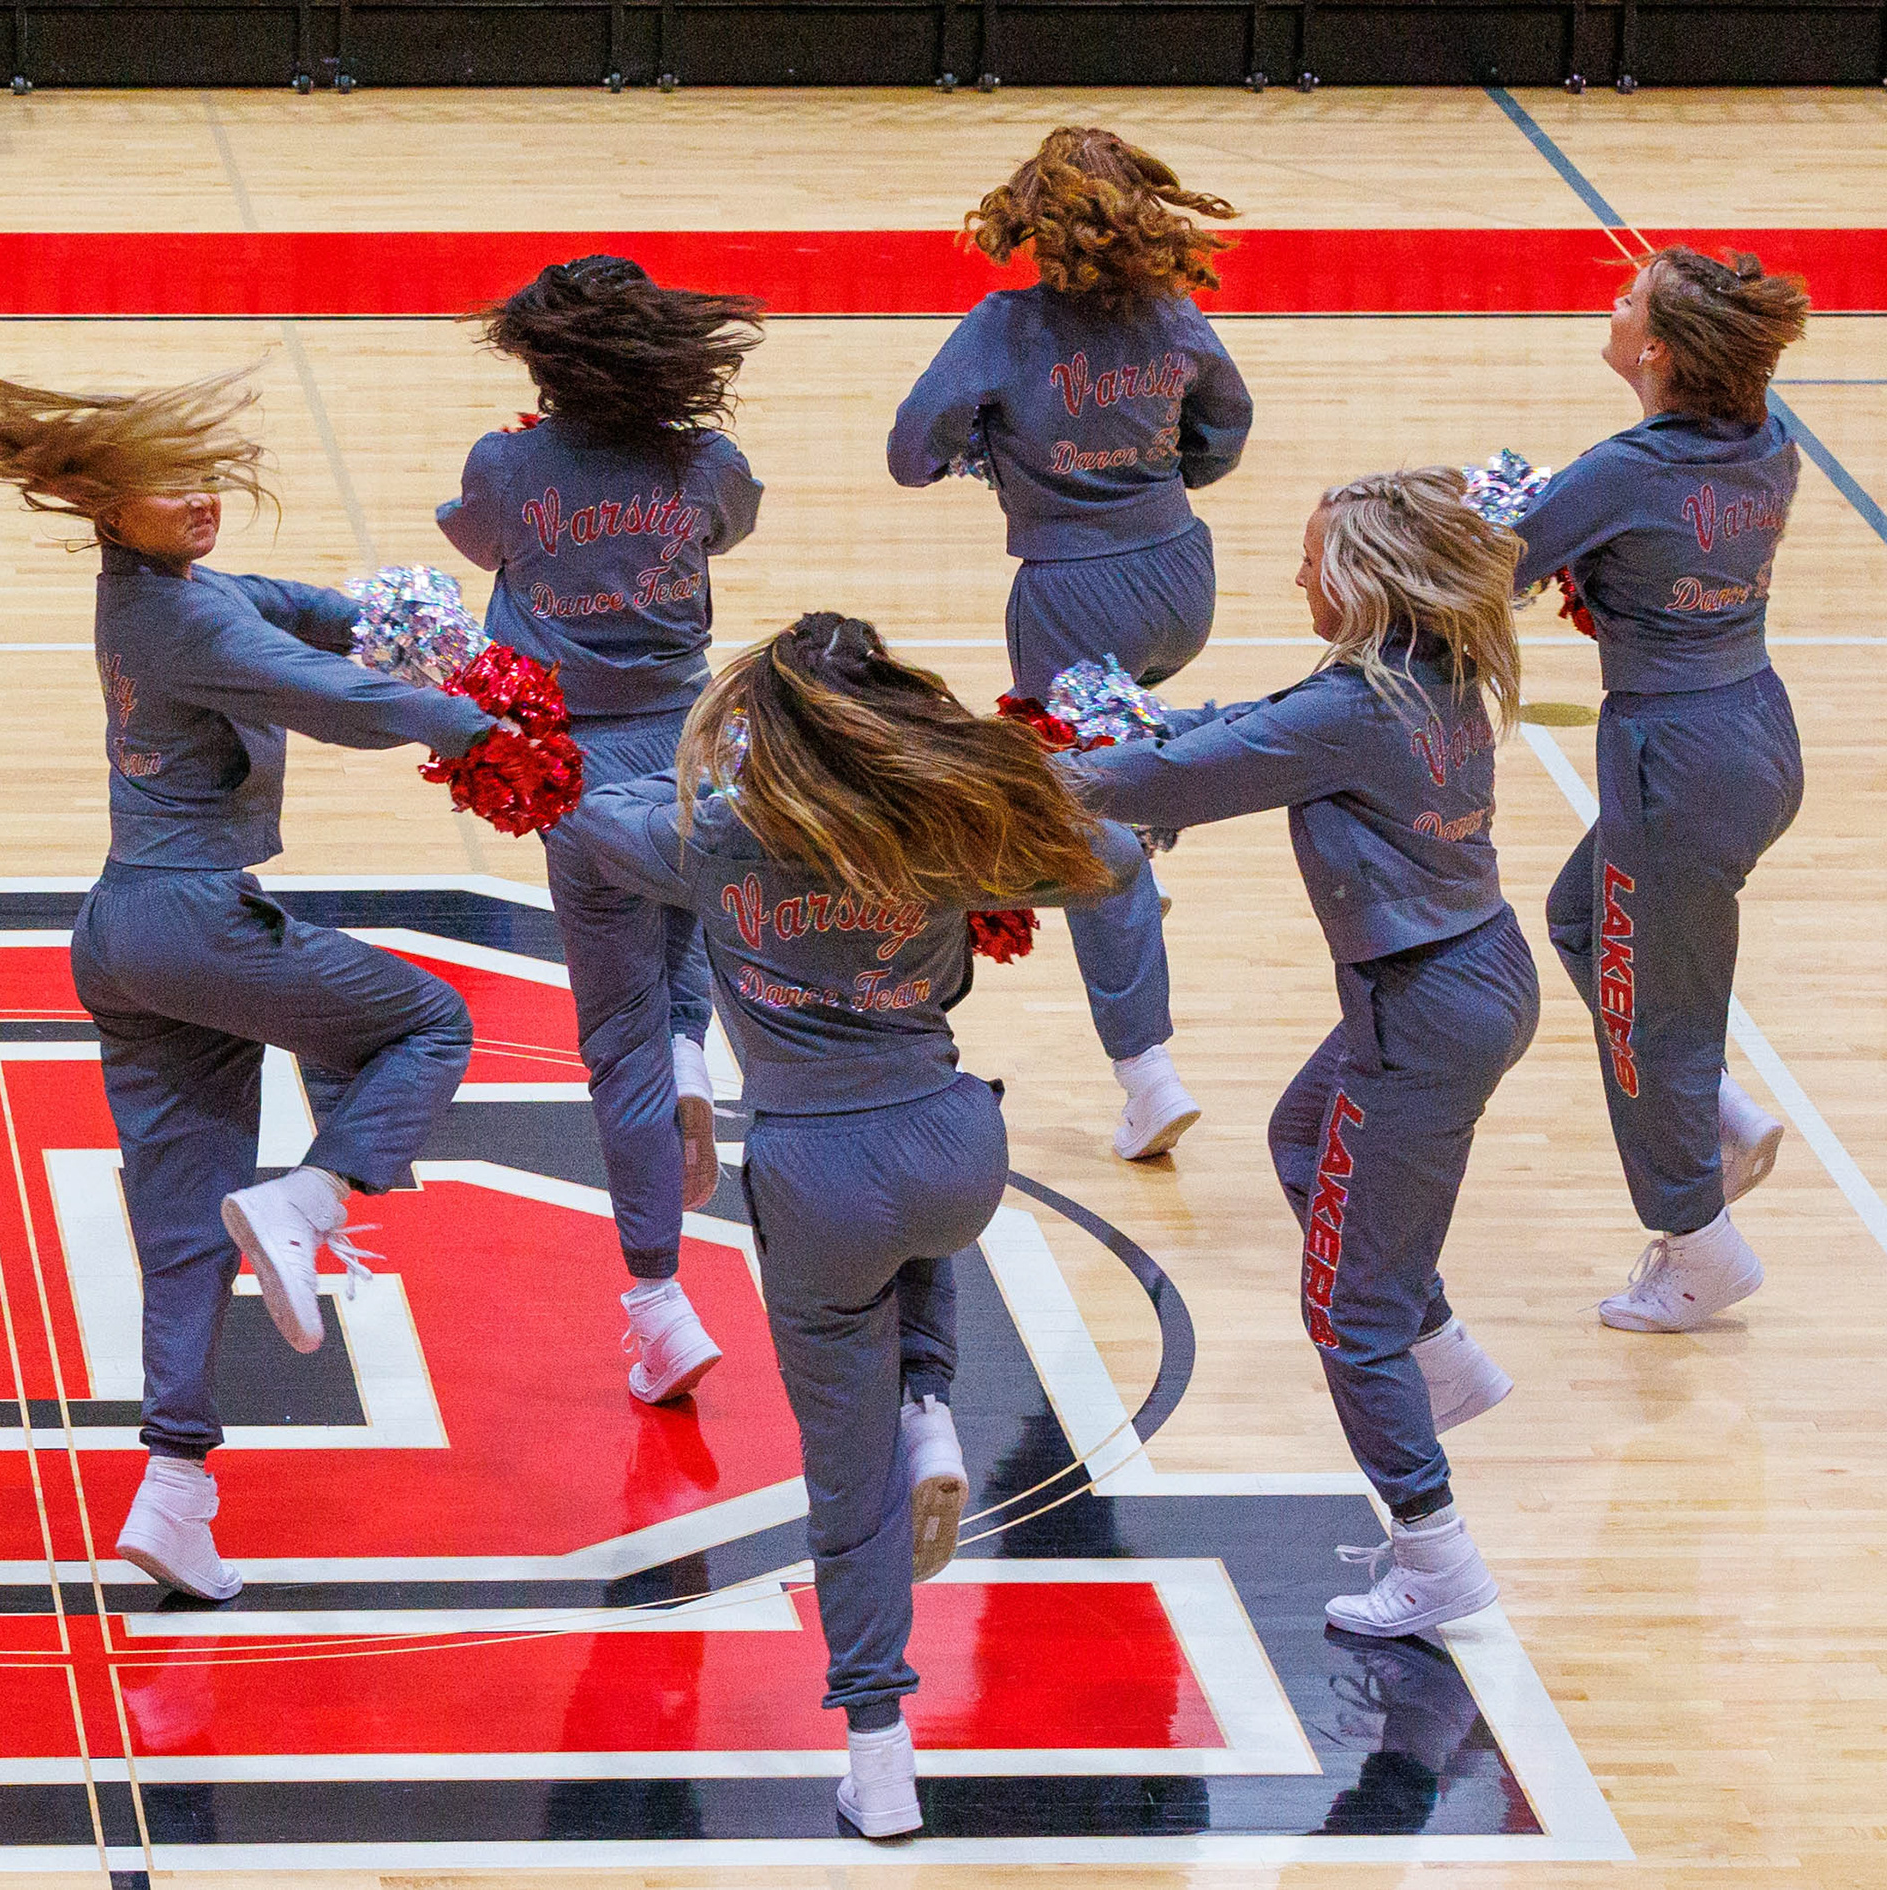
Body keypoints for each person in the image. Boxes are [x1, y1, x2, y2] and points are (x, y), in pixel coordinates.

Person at [0, 358, 502, 1603]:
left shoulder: (180, 595)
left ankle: (175, 1491)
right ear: (106, 509)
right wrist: (485, 728)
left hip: (124, 936)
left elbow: (324, 621)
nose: (200, 499)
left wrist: (438, 635)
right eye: (168, 485)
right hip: (190, 922)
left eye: (205, 477)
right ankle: (316, 1199)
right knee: (428, 1025)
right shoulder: (185, 624)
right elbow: (336, 701)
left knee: (184, 1228)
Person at [547, 612, 1142, 1839]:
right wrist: (981, 790)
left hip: (818, 1173)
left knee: (845, 1483)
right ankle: (931, 1401)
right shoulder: (944, 830)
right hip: (956, 1149)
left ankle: (879, 1757)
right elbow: (1117, 856)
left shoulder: (714, 839)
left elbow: (589, 819)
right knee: (916, 1240)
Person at [1067, 470, 1536, 1638]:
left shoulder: (1353, 709)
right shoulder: (1417, 669)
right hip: (1471, 972)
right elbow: (1240, 729)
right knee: (1301, 1138)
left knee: (1345, 1310)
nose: (1295, 576)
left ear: (1363, 581)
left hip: (1422, 1010)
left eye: (1312, 558)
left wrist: (1001, 769)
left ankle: (1435, 1552)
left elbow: (1157, 784)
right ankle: (1442, 1359)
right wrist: (1150, 721)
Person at [888, 125, 1254, 1163]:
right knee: (1113, 750)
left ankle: (1149, 1077)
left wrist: (982, 450)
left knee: (1078, 826)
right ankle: (1148, 809)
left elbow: (909, 450)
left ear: (1030, 221)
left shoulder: (1005, 325)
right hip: (1182, 579)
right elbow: (1227, 425)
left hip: (1072, 596)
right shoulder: (1172, 311)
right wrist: (1162, 472)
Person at [437, 253, 766, 1405]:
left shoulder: (507, 462)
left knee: (615, 1031)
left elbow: (476, 541)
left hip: (571, 763)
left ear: (545, 360)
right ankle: (690, 1050)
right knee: (687, 924)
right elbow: (731, 528)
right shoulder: (707, 461)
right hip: (692, 744)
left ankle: (660, 1303)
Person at [1511, 246, 1810, 1333]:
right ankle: (1719, 1110)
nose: (1613, 302)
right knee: (1582, 920)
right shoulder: (1770, 441)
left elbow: (1495, 567)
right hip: (1757, 732)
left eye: (1629, 299)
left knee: (1648, 1019)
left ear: (1657, 354)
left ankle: (1700, 1249)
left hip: (1675, 761)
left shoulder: (1624, 472)